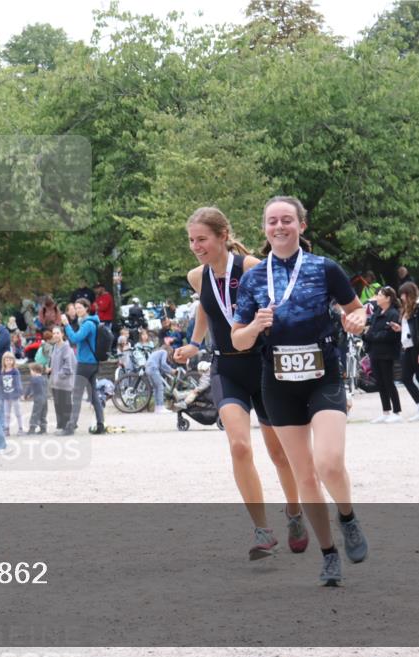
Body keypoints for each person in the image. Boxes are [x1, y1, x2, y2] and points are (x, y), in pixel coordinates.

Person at [230, 196, 369, 586]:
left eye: (287, 220)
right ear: (264, 229)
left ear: (301, 226)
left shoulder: (325, 269)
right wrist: (255, 326)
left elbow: (355, 310)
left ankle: (348, 516)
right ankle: (328, 553)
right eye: (272, 220)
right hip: (277, 382)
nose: (279, 226)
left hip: (323, 375)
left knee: (329, 461)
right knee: (304, 476)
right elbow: (238, 340)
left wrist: (356, 319)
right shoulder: (255, 278)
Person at [173, 206, 306, 562]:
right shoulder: (196, 276)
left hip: (262, 366)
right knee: (240, 447)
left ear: (221, 236)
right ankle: (263, 530)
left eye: (201, 239)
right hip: (226, 368)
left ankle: (295, 514)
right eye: (191, 240)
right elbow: (206, 305)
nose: (196, 246)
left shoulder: (249, 268)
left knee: (278, 453)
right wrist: (195, 342)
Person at [61, 298, 106, 436]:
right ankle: (100, 425)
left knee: (77, 395)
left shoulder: (88, 324)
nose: (77, 310)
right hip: (92, 363)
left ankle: (71, 426)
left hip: (85, 363)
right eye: (76, 307)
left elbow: (75, 339)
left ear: (87, 308)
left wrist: (66, 325)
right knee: (93, 396)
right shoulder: (92, 321)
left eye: (80, 307)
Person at [364, 287, 403, 423]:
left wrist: (371, 336)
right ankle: (386, 411)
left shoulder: (393, 313)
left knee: (388, 381)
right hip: (375, 352)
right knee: (380, 382)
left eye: (380, 295)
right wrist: (368, 335)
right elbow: (369, 330)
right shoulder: (377, 312)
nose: (377, 297)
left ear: (388, 298)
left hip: (387, 353)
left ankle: (397, 411)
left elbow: (390, 335)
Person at [395, 282, 419, 421]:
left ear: (408, 294)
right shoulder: (407, 308)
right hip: (407, 346)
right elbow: (410, 327)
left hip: (417, 347)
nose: (402, 298)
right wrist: (399, 329)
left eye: (403, 294)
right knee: (406, 378)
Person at [48, 326, 76, 433]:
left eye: (57, 333)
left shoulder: (66, 348)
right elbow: (55, 363)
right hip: (56, 383)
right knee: (58, 405)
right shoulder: (54, 347)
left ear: (62, 334)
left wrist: (58, 376)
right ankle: (61, 426)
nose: (55, 335)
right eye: (54, 333)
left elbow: (68, 367)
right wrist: (50, 369)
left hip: (64, 382)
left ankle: (68, 428)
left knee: (65, 406)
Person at [145, 340, 175, 414]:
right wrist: (171, 370)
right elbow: (163, 364)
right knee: (160, 387)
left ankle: (157, 408)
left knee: (156, 388)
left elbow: (161, 366)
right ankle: (161, 407)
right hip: (153, 368)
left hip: (148, 369)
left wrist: (168, 371)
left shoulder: (155, 352)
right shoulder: (163, 352)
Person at [0, 352, 24, 435]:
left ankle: (21, 428)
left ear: (13, 361)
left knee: (18, 412)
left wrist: (20, 393)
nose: (9, 361)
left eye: (10, 360)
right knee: (7, 414)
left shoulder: (15, 372)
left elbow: (18, 383)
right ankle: (6, 429)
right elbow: (1, 385)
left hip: (15, 396)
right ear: (4, 361)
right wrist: (0, 394)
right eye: (7, 360)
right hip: (6, 396)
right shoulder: (2, 372)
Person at [26, 362, 48, 435]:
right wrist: (32, 394)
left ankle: (32, 429)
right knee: (43, 414)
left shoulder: (34, 379)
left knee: (35, 413)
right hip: (45, 399)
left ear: (35, 371)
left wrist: (26, 395)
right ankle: (43, 429)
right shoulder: (44, 378)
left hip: (38, 399)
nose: (30, 372)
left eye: (31, 371)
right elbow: (40, 389)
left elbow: (29, 388)